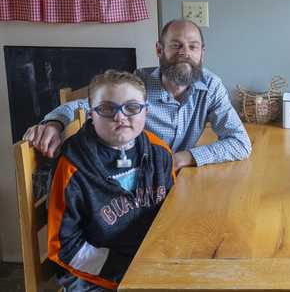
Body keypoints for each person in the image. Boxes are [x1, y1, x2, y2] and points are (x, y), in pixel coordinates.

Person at [23, 19, 251, 170]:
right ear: (159, 50)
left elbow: (240, 143)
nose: (185, 54)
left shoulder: (210, 86)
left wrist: (183, 158)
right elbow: (83, 107)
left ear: (203, 53)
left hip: (178, 180)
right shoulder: (137, 85)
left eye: (193, 46)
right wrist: (54, 123)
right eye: (176, 46)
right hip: (136, 185)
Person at [47, 70, 176, 291]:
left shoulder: (160, 153)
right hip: (91, 272)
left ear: (146, 110)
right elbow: (65, 246)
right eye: (107, 109)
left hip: (149, 264)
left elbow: (171, 216)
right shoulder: (71, 167)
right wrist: (127, 271)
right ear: (91, 114)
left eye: (132, 107)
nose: (120, 116)